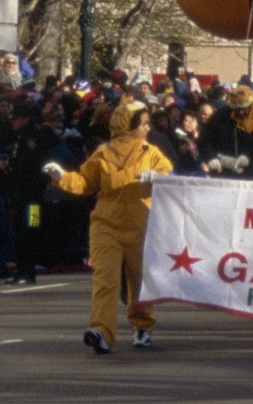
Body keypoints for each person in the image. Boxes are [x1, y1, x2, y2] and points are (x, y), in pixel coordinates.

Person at [45, 101, 171, 354]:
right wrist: (62, 178)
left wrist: (157, 179)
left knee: (139, 280)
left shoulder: (152, 153)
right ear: (129, 125)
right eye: (143, 123)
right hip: (106, 224)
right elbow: (84, 182)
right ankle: (101, 331)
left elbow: (170, 177)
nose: (148, 128)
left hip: (142, 224)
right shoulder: (102, 153)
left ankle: (143, 327)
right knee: (105, 279)